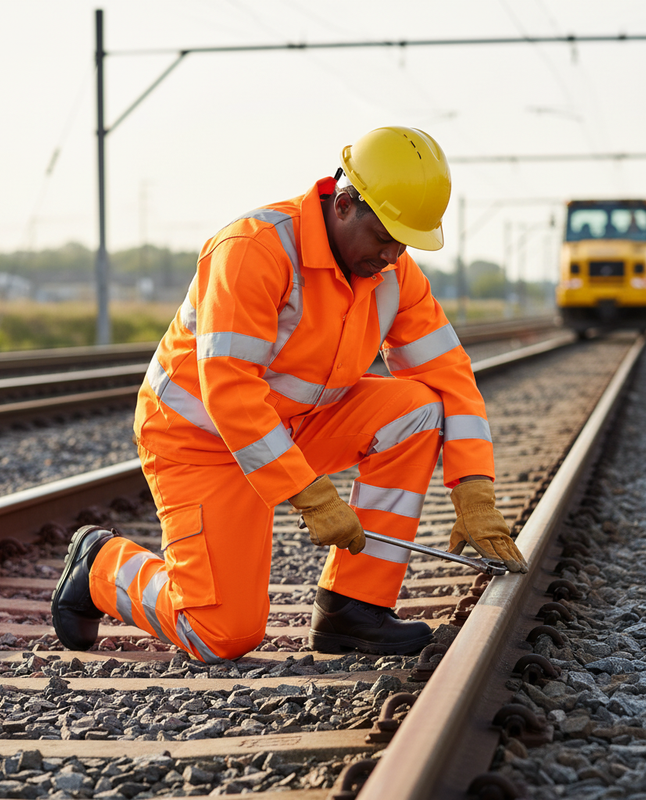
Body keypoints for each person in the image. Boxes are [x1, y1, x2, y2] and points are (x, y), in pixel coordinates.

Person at [51, 126, 528, 664]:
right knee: (222, 635)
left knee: (419, 409)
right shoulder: (254, 249)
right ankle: (100, 564)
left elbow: (451, 377)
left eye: (405, 243)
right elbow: (228, 390)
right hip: (200, 438)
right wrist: (309, 492)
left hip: (295, 425)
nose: (393, 255)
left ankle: (355, 608)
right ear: (345, 205)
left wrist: (475, 489)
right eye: (386, 237)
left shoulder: (393, 274)